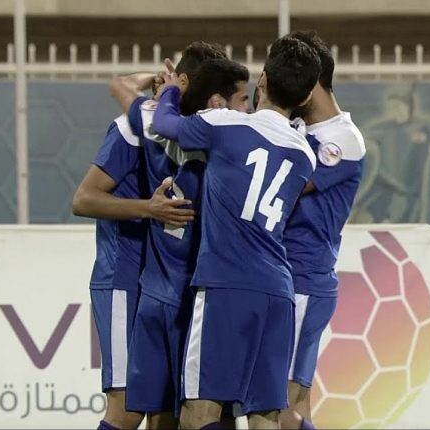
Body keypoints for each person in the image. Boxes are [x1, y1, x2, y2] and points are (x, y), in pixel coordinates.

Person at [152, 36, 321, 430]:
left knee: (199, 413)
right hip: (278, 291)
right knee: (265, 416)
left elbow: (164, 124)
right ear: (306, 95)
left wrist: (171, 91)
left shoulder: (224, 124)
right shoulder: (305, 154)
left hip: (226, 283)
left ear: (262, 81)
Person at [109, 52, 250, 429]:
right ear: (217, 102)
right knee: (212, 411)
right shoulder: (229, 145)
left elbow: (120, 85)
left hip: (156, 292)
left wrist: (170, 85)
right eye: (243, 100)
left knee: (152, 414)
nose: (249, 109)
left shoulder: (154, 126)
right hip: (200, 299)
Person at [72, 95, 197, 429]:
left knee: (164, 409)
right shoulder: (130, 129)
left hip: (163, 284)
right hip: (123, 278)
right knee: (126, 407)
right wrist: (149, 209)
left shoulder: (191, 135)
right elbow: (83, 200)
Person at [278, 30, 366, 430]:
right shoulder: (299, 128)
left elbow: (287, 182)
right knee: (297, 400)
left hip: (303, 276)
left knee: (281, 403)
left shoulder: (341, 139)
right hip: (290, 275)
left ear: (310, 81)